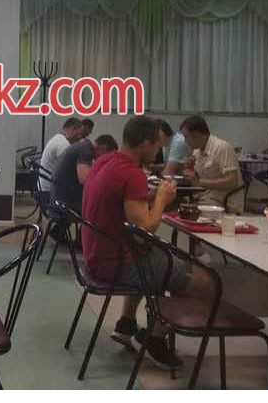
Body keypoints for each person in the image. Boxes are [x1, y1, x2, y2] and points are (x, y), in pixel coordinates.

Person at [82, 115, 211, 369]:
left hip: (95, 254)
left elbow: (121, 202)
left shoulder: (105, 160)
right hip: (116, 263)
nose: (158, 153)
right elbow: (145, 227)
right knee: (203, 281)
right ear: (145, 144)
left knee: (153, 255)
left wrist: (148, 196)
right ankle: (154, 338)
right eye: (157, 147)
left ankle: (126, 324)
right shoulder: (132, 173)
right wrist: (161, 198)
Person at [180, 116, 243, 213]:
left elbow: (232, 181)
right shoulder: (197, 151)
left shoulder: (222, 148)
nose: (185, 141)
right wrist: (190, 171)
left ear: (196, 134)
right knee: (176, 202)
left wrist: (199, 182)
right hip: (206, 196)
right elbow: (198, 179)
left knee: (188, 211)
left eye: (186, 137)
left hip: (223, 200)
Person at [51, 133, 118, 214]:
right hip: (64, 203)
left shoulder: (83, 147)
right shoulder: (86, 150)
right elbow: (85, 180)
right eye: (109, 156)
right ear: (102, 148)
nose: (108, 160)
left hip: (60, 197)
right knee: (105, 208)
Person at [39, 117, 83, 195]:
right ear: (73, 129)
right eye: (79, 134)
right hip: (50, 192)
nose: (80, 138)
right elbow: (73, 170)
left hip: (46, 187)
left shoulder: (58, 138)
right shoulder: (63, 144)